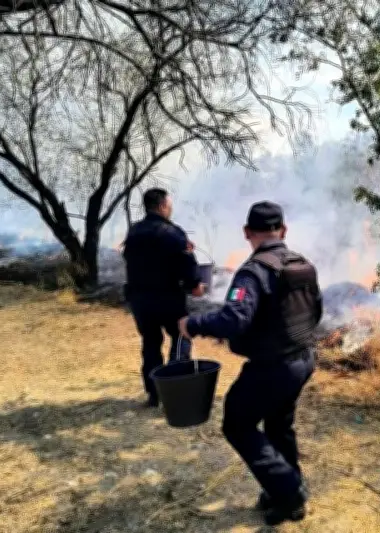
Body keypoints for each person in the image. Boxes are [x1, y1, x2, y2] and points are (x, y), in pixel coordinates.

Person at [178, 201, 322, 526]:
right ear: (283, 231)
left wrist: (195, 324)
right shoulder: (303, 265)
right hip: (303, 360)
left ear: (247, 233)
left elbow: (234, 318)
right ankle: (285, 494)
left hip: (273, 367)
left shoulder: (254, 272)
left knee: (237, 424)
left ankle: (288, 491)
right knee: (278, 425)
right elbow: (317, 312)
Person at [123, 188, 205, 408]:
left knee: (150, 344)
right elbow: (186, 265)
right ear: (161, 207)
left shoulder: (134, 231)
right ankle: (175, 390)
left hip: (140, 300)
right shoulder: (172, 232)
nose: (170, 209)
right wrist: (195, 285)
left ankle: (154, 394)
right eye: (169, 205)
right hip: (168, 299)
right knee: (181, 336)